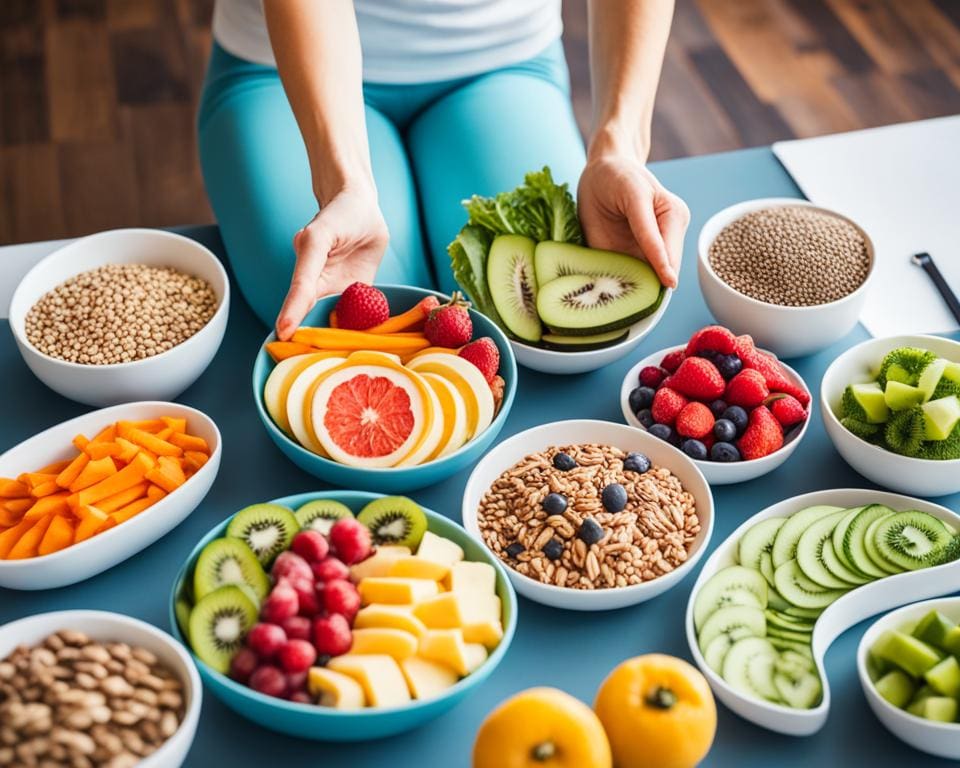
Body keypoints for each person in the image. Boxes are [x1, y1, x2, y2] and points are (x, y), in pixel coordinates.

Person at [198, 0, 689, 340]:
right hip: (282, 68)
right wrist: (343, 183)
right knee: (355, 317)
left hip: (503, 60)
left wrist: (618, 146)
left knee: (537, 315)